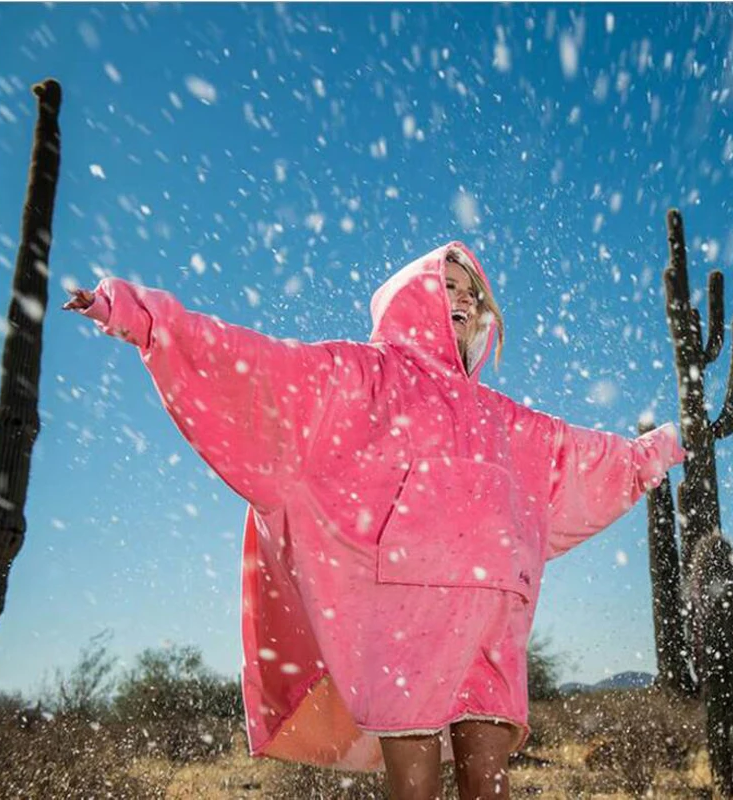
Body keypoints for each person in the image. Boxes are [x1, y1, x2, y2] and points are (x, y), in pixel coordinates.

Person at [63, 242, 686, 800]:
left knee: (489, 782)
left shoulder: (503, 416)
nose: (463, 301)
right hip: (409, 615)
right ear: (416, 296)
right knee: (415, 787)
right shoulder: (363, 375)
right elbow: (260, 366)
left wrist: (652, 453)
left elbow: (573, 457)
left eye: (472, 294)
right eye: (449, 287)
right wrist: (141, 317)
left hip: (495, 615)